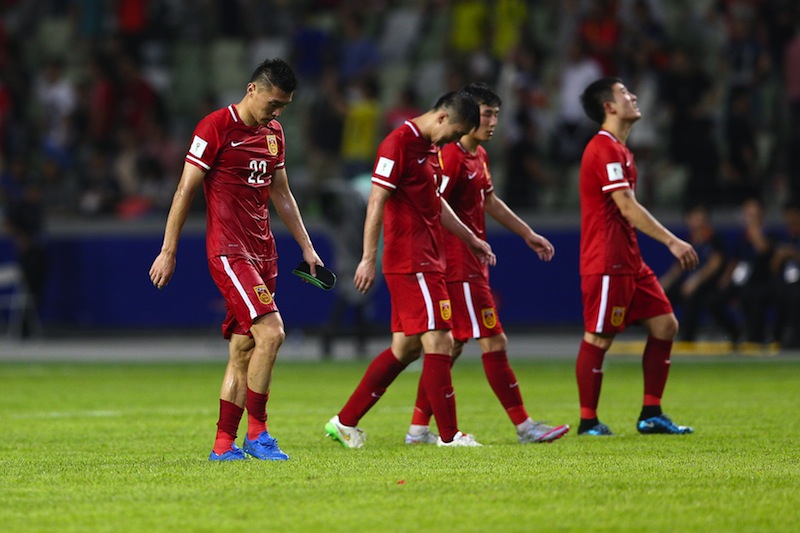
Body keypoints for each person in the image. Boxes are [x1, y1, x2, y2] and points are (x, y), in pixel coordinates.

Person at [149, 58, 324, 461]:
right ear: (252, 90)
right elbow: (184, 190)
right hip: (230, 251)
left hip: (265, 251)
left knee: (244, 349)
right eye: (273, 104)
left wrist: (307, 246)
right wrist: (168, 249)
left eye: (283, 107)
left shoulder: (274, 133)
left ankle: (223, 445)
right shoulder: (215, 127)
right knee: (273, 332)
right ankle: (258, 434)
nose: (277, 113)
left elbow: (281, 193)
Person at [324, 91, 495, 448]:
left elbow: (437, 204)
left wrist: (471, 239)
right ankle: (449, 436)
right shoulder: (398, 143)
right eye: (455, 132)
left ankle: (344, 421)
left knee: (405, 349)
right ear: (443, 118)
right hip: (411, 261)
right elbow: (376, 200)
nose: (453, 141)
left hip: (429, 258)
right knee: (441, 340)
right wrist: (368, 257)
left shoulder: (430, 148)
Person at [403, 83, 570, 445]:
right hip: (457, 265)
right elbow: (432, 206)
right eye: (485, 114)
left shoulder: (478, 157)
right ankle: (525, 426)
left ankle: (417, 429)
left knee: (451, 347)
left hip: (472, 264)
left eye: (495, 114)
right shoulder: (448, 157)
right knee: (494, 340)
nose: (491, 121)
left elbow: (490, 201)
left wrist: (527, 233)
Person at [575, 77, 699, 437]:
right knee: (598, 338)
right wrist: (672, 241)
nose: (633, 96)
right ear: (608, 107)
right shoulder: (603, 149)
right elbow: (626, 206)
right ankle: (588, 422)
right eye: (624, 94)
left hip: (628, 260)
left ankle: (651, 413)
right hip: (606, 261)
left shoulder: (621, 150)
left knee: (665, 325)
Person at [660, 204, 740, 343]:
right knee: (667, 295)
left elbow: (714, 264)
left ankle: (689, 339)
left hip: (712, 284)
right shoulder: (689, 240)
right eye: (694, 217)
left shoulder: (714, 239)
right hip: (691, 283)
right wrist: (663, 284)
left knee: (695, 298)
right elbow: (679, 267)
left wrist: (695, 281)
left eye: (700, 217)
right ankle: (661, 333)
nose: (697, 221)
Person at [771, 200, 800, 348]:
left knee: (795, 297)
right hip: (785, 283)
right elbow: (774, 267)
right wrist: (779, 257)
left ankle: (795, 341)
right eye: (788, 215)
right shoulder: (785, 237)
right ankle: (777, 339)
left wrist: (792, 253)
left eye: (793, 215)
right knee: (777, 293)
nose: (790, 219)